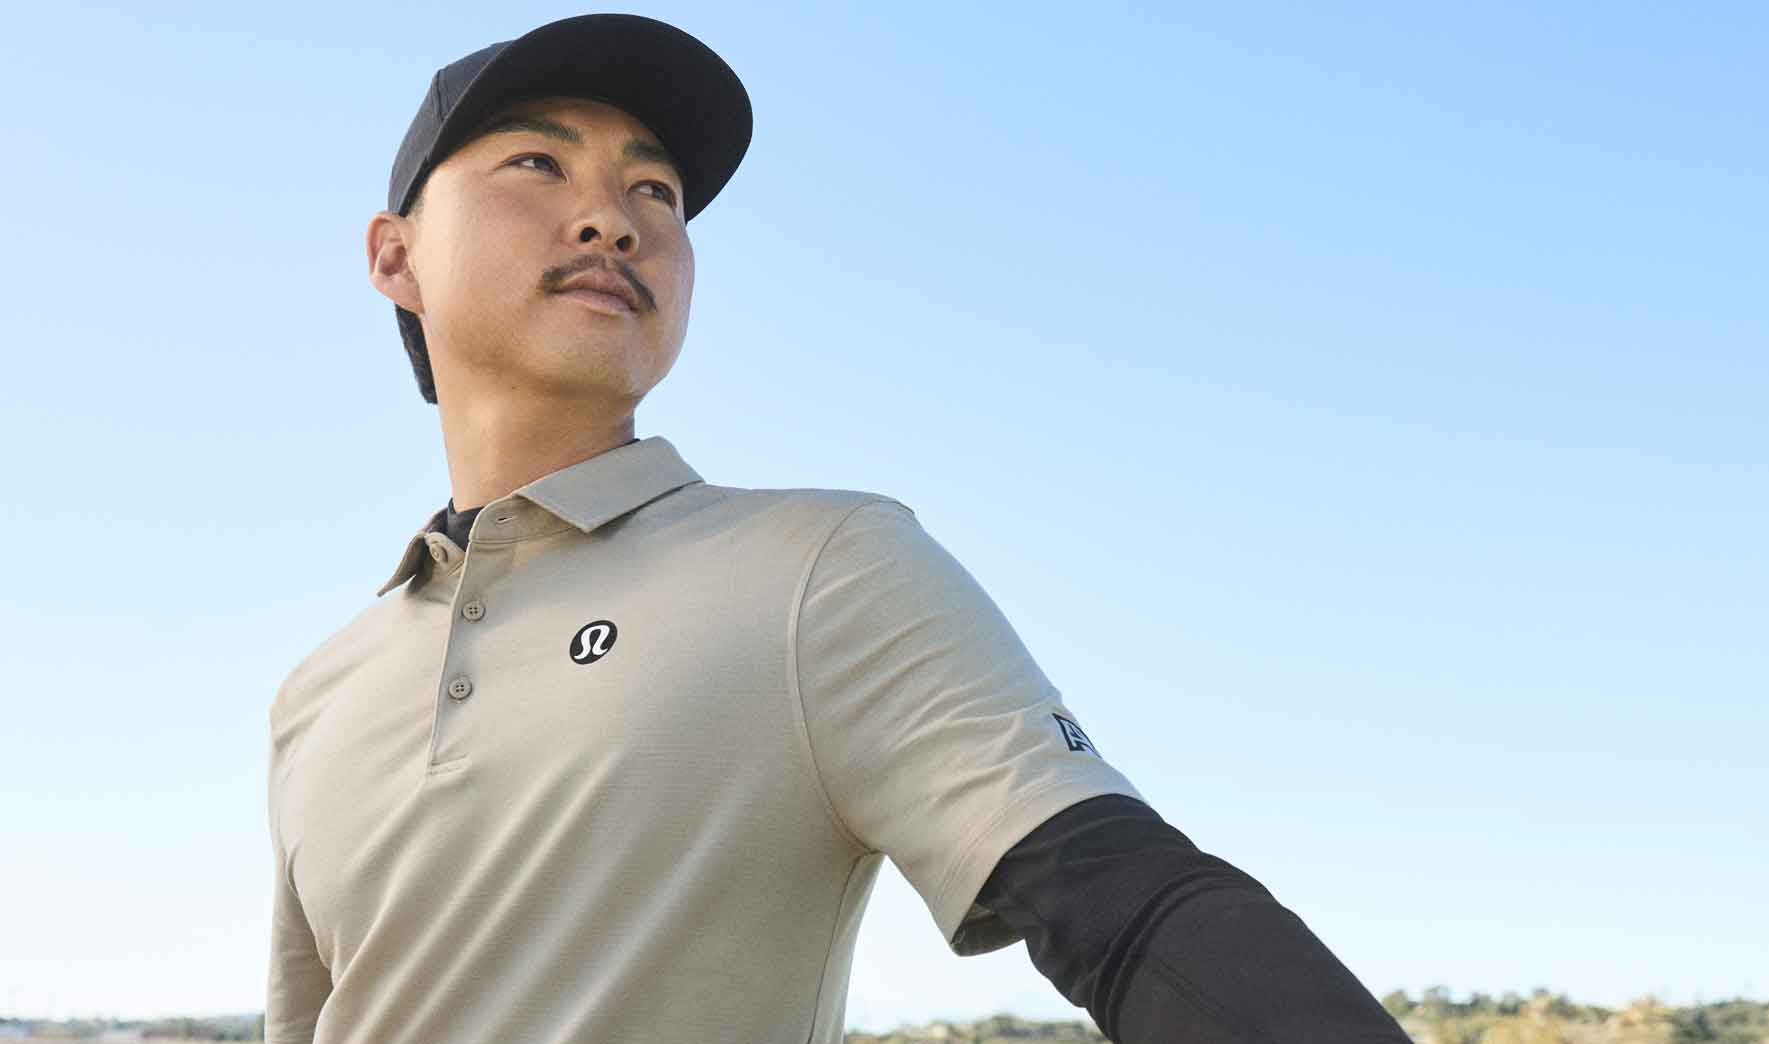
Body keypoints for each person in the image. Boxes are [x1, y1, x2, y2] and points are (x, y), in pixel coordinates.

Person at [265, 13, 1412, 1044]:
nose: (610, 219)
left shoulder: (822, 567)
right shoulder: (318, 696)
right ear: (393, 257)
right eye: (537, 161)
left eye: (654, 192)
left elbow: (1121, 904)